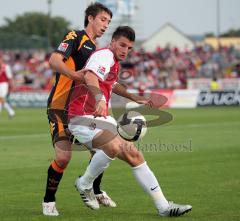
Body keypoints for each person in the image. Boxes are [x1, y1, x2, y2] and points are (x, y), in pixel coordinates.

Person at [68, 26, 192, 216]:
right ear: (113, 42)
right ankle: (84, 184)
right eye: (122, 45)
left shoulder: (114, 63)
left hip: (100, 117)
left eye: (129, 47)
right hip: (82, 116)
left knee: (135, 156)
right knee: (113, 147)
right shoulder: (105, 56)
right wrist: (100, 99)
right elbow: (91, 76)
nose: (125, 50)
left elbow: (112, 84)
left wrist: (134, 98)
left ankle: (163, 207)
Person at [42, 2, 115, 216]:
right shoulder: (75, 37)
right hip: (60, 108)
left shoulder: (101, 51)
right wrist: (74, 75)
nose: (105, 25)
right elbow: (54, 60)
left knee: (105, 148)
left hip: (83, 111)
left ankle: (95, 189)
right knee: (64, 158)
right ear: (90, 18)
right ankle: (48, 201)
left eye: (108, 22)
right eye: (103, 19)